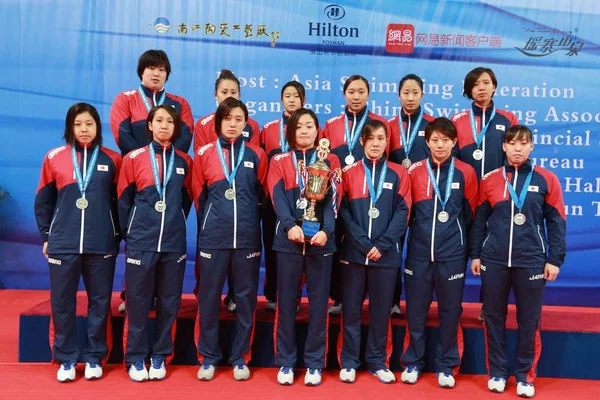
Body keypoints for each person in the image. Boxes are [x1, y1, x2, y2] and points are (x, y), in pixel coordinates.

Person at [470, 125, 566, 398]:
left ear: (531, 147)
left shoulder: (547, 179)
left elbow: (557, 222)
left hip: (532, 261)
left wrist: (554, 259)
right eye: (512, 143)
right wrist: (476, 254)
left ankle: (525, 376)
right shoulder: (490, 180)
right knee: (493, 318)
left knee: (529, 320)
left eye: (523, 144)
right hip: (494, 261)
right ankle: (498, 373)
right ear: (503, 147)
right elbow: (478, 222)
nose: (517, 149)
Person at [34, 102, 121, 382]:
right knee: (62, 303)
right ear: (70, 128)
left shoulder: (113, 160)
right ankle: (67, 359)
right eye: (78, 124)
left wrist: (115, 236)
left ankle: (95, 356)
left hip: (101, 244)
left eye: (90, 124)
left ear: (98, 127)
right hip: (63, 243)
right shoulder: (54, 158)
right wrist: (47, 236)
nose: (84, 129)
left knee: (100, 302)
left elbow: (121, 205)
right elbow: (43, 202)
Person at [110, 49, 194, 313]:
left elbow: (185, 136)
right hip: (137, 175)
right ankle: (131, 294)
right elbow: (121, 134)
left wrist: (164, 159)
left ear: (167, 73)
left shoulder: (180, 103)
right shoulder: (126, 99)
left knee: (166, 240)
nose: (156, 73)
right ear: (141, 71)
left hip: (169, 173)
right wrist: (142, 159)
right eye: (151, 68)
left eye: (161, 69)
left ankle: (160, 295)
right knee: (139, 240)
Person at [192, 97, 268, 382]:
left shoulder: (257, 155)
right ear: (218, 122)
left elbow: (262, 198)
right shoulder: (203, 155)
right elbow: (199, 197)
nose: (233, 124)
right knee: (209, 300)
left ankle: (240, 358)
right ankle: (208, 357)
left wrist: (248, 221)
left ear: (245, 123)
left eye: (238, 119)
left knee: (246, 300)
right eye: (228, 119)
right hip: (214, 238)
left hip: (247, 239)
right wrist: (211, 226)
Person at [399, 117, 478, 388]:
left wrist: (462, 247)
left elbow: (471, 216)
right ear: (427, 142)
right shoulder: (414, 171)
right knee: (416, 312)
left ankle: (446, 365)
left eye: (446, 140)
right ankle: (413, 362)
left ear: (454, 142)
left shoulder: (466, 172)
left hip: (452, 255)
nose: (440, 145)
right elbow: (406, 215)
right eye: (435, 140)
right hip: (418, 254)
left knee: (450, 311)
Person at [118, 105, 193, 382]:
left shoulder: (185, 162)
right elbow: (123, 200)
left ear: (176, 127)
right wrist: (132, 233)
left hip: (173, 242)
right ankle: (136, 357)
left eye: (169, 122)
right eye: (158, 120)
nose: (164, 126)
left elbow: (186, 201)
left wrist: (173, 221)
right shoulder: (134, 158)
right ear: (149, 125)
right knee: (137, 302)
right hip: (142, 241)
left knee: (170, 302)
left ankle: (160, 354)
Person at [268, 108, 341, 386]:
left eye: (309, 126)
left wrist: (326, 231)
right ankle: (286, 363)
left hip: (321, 243)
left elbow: (335, 200)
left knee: (320, 305)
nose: (304, 131)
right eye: (299, 126)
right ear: (291, 131)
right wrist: (290, 226)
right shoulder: (279, 160)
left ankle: (314, 363)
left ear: (318, 131)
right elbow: (278, 198)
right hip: (288, 242)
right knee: (286, 304)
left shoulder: (329, 160)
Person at [337, 120, 411, 384]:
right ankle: (349, 362)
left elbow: (403, 212)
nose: (376, 143)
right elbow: (343, 214)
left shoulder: (399, 174)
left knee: (381, 311)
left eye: (381, 138)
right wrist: (365, 245)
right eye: (371, 138)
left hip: (386, 256)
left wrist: (382, 245)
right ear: (362, 142)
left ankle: (379, 361)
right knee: (352, 311)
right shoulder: (348, 173)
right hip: (354, 255)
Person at [451, 66, 519, 320]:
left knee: (491, 253)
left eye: (486, 82)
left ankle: (486, 306)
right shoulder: (458, 120)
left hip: (495, 196)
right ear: (469, 89)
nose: (481, 87)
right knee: (457, 250)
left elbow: (513, 158)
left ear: (494, 86)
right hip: (464, 197)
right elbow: (452, 159)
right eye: (476, 83)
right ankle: (452, 303)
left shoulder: (507, 119)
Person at [194, 69, 261, 312]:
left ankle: (234, 296)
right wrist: (209, 216)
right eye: (224, 92)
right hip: (216, 209)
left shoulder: (252, 126)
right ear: (215, 95)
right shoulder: (203, 124)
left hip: (243, 212)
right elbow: (202, 176)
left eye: (233, 92)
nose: (228, 95)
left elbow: (255, 177)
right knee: (210, 286)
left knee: (243, 281)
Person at [323, 74, 389, 315]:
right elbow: (326, 160)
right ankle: (340, 298)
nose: (356, 96)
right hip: (341, 194)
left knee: (376, 244)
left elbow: (385, 161)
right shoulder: (332, 125)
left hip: (372, 195)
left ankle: (385, 300)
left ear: (368, 94)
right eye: (352, 91)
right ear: (344, 94)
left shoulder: (380, 123)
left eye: (361, 91)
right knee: (339, 245)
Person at [387, 73, 436, 316]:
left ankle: (420, 302)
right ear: (398, 95)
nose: (410, 97)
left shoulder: (432, 125)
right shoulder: (388, 126)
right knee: (392, 247)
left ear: (422, 95)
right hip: (394, 199)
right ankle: (393, 300)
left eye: (415, 92)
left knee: (422, 249)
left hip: (425, 197)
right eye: (405, 92)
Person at [260, 81, 307, 310]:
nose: (291, 100)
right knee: (272, 247)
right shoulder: (268, 128)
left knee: (300, 251)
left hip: (303, 200)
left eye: (296, 96)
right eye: (287, 96)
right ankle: (272, 294)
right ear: (281, 100)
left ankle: (295, 296)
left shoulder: (309, 126)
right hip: (274, 200)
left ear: (303, 100)